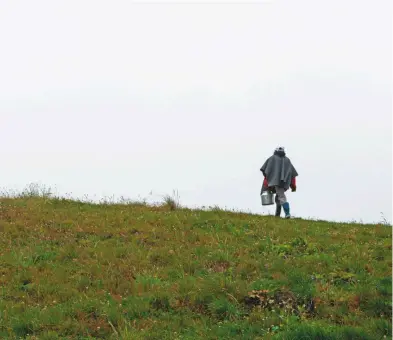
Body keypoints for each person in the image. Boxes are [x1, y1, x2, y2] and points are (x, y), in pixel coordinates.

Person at [260, 146, 298, 219]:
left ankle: (287, 214)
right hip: (284, 182)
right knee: (279, 197)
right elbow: (292, 173)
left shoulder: (272, 158)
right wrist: (293, 185)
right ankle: (277, 215)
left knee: (281, 197)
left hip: (276, 181)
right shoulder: (287, 160)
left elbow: (266, 170)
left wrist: (269, 178)